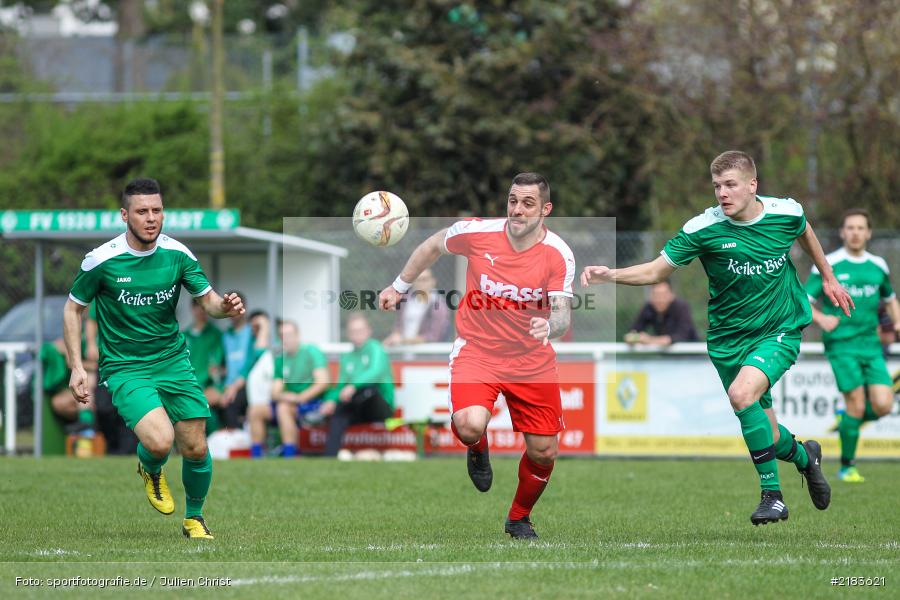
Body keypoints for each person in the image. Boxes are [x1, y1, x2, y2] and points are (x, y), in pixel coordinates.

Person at [581, 151, 852, 526]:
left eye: (730, 185)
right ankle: (807, 458)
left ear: (752, 185)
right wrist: (609, 274)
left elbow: (804, 230)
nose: (722, 194)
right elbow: (657, 271)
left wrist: (829, 277)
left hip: (779, 329)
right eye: (717, 186)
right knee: (770, 436)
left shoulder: (785, 213)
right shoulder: (703, 229)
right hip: (727, 340)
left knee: (742, 395)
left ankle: (772, 496)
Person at [379, 172, 574, 539]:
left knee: (544, 451)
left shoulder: (558, 254)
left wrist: (551, 327)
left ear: (545, 209)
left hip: (531, 360)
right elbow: (432, 245)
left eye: (528, 203)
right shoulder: (477, 232)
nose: (518, 210)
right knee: (469, 424)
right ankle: (476, 445)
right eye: (513, 201)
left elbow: (562, 312)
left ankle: (518, 518)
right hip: (478, 351)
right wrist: (399, 286)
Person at [63, 177, 244, 540]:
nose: (151, 218)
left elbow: (207, 300)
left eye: (157, 211)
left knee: (195, 444)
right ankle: (150, 467)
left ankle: (195, 519)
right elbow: (73, 310)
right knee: (161, 441)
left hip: (173, 361)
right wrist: (77, 366)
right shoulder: (102, 260)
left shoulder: (178, 254)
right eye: (142, 211)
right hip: (126, 366)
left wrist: (224, 307)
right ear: (124, 215)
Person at [805, 208, 900, 483]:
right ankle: (847, 466)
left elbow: (890, 298)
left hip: (871, 345)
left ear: (868, 233)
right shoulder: (827, 264)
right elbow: (803, 300)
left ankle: (848, 420)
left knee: (883, 405)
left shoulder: (878, 266)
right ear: (842, 232)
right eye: (850, 228)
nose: (855, 233)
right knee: (857, 404)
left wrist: (897, 321)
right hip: (841, 345)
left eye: (861, 228)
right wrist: (822, 319)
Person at [247, 319, 329, 458]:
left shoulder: (311, 352)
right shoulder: (280, 359)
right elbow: (274, 392)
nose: (286, 339)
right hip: (290, 401)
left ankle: (290, 454)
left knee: (283, 407)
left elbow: (323, 382)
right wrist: (289, 397)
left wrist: (300, 398)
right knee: (255, 410)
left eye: (289, 335)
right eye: (282, 335)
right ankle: (256, 455)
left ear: (297, 335)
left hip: (313, 403)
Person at [319, 312, 395, 457]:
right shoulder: (347, 357)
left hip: (379, 407)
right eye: (353, 332)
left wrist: (353, 386)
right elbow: (340, 386)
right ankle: (330, 457)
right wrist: (330, 401)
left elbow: (376, 372)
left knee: (368, 390)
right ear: (348, 334)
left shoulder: (376, 348)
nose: (357, 335)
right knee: (339, 410)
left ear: (368, 331)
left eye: (360, 331)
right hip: (357, 407)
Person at [220, 309, 270, 429]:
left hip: (264, 393)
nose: (254, 330)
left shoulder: (274, 343)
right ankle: (236, 438)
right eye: (253, 326)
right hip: (248, 389)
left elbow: (260, 351)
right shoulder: (251, 345)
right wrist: (230, 386)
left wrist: (264, 328)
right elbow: (246, 367)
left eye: (258, 327)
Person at [183, 299, 225, 433]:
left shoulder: (216, 334)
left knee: (204, 410)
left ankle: (213, 445)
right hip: (187, 386)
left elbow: (216, 364)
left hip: (208, 386)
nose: (201, 311)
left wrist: (217, 385)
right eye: (198, 308)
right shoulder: (184, 336)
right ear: (193, 309)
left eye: (204, 308)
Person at [383, 268, 451, 346]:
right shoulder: (405, 300)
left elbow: (433, 337)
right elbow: (399, 324)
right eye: (418, 279)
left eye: (425, 279)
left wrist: (403, 341)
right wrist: (395, 336)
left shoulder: (438, 305)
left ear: (433, 281)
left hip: (427, 354)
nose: (421, 283)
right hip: (404, 352)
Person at [624, 279, 699, 346]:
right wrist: (633, 337)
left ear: (671, 295)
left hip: (691, 355)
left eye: (663, 295)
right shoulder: (649, 308)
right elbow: (633, 331)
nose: (660, 299)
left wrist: (649, 340)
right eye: (656, 295)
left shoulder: (681, 307)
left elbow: (681, 336)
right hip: (666, 358)